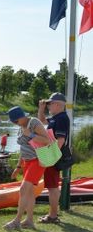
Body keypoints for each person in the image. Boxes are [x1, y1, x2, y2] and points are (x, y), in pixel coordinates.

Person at [4, 106, 51, 231]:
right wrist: (18, 167)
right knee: (29, 192)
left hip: (37, 161)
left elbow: (47, 141)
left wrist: (30, 134)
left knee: (23, 189)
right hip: (27, 162)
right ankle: (29, 220)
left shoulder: (34, 122)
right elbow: (23, 148)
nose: (15, 124)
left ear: (22, 116)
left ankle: (17, 221)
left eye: (16, 121)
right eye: (13, 122)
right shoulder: (21, 127)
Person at [38, 92, 71, 224]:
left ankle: (52, 216)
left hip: (54, 155)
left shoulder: (61, 118)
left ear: (57, 104)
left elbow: (61, 140)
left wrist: (51, 157)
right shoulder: (57, 117)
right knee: (52, 185)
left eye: (50, 104)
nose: (48, 106)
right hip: (53, 154)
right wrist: (41, 109)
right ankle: (53, 213)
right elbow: (41, 121)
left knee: (52, 186)